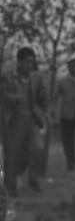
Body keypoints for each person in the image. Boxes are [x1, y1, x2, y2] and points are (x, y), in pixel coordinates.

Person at [1, 47, 48, 195]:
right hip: (14, 120)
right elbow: (4, 96)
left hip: (32, 120)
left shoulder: (36, 78)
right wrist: (17, 98)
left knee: (37, 148)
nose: (30, 66)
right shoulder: (7, 77)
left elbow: (43, 99)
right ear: (19, 62)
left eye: (32, 62)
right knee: (13, 153)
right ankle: (10, 186)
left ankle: (32, 179)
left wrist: (45, 112)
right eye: (27, 62)